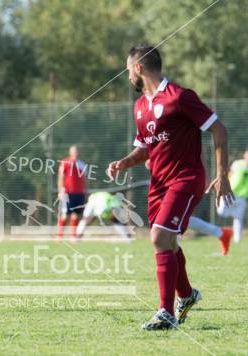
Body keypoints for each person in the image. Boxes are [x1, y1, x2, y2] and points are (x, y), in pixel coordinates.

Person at [108, 46, 234, 330]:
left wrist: (222, 174)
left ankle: (166, 313)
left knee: (158, 237)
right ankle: (187, 295)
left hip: (186, 179)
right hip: (159, 185)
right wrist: (123, 163)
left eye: (128, 69)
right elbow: (143, 150)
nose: (127, 75)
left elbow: (219, 129)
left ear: (138, 68)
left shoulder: (180, 97)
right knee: (167, 241)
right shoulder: (140, 106)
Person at [217, 148, 247, 242]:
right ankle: (235, 214)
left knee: (239, 219)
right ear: (245, 154)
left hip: (243, 196)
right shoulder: (238, 163)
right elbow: (230, 174)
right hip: (231, 193)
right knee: (221, 212)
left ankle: (237, 240)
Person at [57, 145, 87, 239]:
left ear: (79, 152)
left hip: (79, 193)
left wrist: (85, 191)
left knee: (75, 215)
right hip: (67, 193)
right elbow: (61, 177)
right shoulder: (65, 162)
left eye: (76, 151)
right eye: (73, 151)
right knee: (65, 215)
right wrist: (61, 190)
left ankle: (74, 237)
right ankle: (59, 236)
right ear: (70, 152)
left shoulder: (82, 164)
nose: (75, 153)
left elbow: (84, 179)